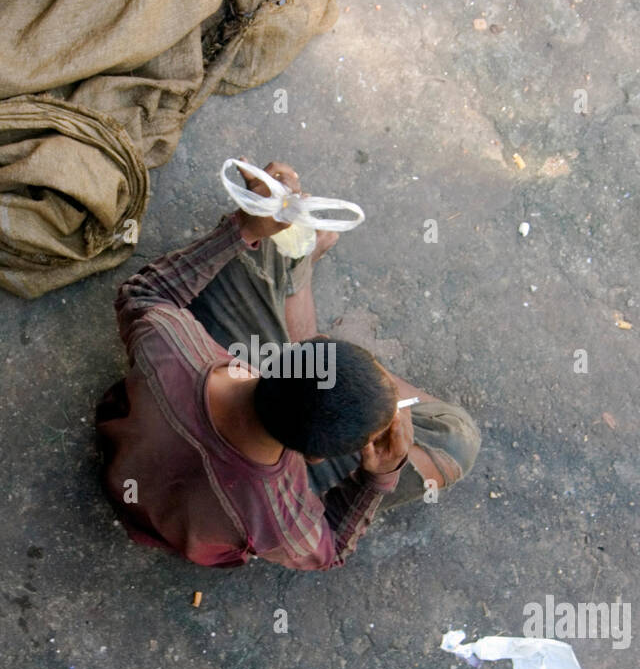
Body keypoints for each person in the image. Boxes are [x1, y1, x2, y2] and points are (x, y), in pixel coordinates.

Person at [95, 160, 479, 570]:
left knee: (275, 229)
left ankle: (290, 280)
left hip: (148, 438)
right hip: (236, 503)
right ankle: (297, 298)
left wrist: (243, 227)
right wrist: (379, 476)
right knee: (457, 438)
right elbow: (332, 550)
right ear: (314, 459)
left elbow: (144, 292)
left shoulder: (170, 348)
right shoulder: (281, 521)